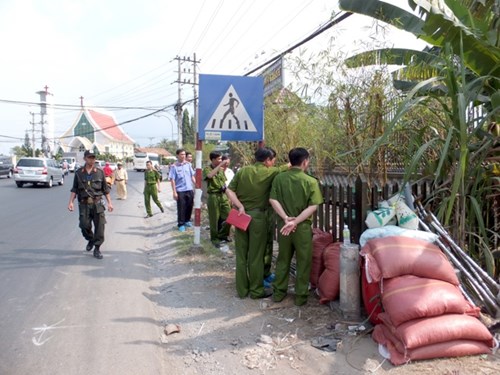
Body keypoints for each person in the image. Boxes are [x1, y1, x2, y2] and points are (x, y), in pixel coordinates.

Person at [225, 147, 288, 299]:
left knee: (241, 255)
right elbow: (286, 167)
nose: (274, 163)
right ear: (267, 160)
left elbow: (229, 190)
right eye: (273, 160)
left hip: (241, 216)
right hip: (258, 217)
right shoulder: (271, 172)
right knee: (256, 256)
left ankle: (242, 289)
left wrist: (239, 205)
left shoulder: (243, 171)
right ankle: (256, 290)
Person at [269, 147, 323, 306]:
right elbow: (313, 207)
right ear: (305, 162)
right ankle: (300, 296)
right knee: (303, 261)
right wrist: (296, 221)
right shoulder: (311, 181)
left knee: (283, 259)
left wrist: (286, 218)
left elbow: (273, 200)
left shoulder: (279, 178)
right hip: (302, 228)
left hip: (283, 226)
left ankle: (279, 293)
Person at [67, 150, 114, 259]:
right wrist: (70, 202)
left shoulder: (100, 172)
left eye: (93, 157)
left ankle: (97, 248)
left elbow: (105, 190)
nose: (92, 159)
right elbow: (74, 189)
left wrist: (110, 203)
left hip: (97, 204)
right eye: (89, 157)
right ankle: (91, 239)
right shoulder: (79, 173)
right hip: (84, 204)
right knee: (84, 225)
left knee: (100, 227)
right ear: (85, 159)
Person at [203, 151, 231, 247]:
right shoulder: (207, 169)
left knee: (229, 216)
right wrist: (220, 166)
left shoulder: (221, 170)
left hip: (222, 195)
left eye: (221, 159)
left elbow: (224, 184)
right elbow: (209, 176)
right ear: (213, 159)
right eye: (219, 159)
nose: (220, 160)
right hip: (213, 196)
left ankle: (223, 235)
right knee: (214, 218)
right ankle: (215, 239)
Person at [169, 148, 195, 231]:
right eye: (181, 154)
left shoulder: (188, 165)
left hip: (189, 189)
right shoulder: (174, 167)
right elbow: (172, 180)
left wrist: (196, 184)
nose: (183, 156)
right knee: (181, 207)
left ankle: (187, 220)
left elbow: (192, 176)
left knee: (190, 205)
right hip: (180, 190)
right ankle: (181, 224)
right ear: (177, 155)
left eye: (184, 154)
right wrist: (174, 192)